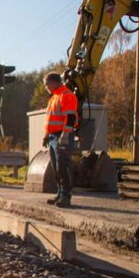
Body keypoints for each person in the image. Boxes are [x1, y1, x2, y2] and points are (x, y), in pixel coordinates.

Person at [42, 72, 78, 208]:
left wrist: (65, 135)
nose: (46, 87)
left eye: (47, 83)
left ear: (55, 82)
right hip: (52, 137)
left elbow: (70, 117)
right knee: (55, 168)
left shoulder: (66, 95)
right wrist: (46, 135)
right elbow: (50, 119)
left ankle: (66, 196)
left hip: (62, 136)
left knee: (62, 167)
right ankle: (60, 193)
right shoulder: (53, 98)